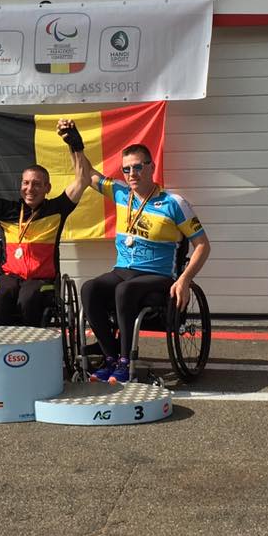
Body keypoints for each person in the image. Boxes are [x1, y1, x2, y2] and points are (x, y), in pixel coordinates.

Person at [81, 144, 211, 383]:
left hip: (158, 276)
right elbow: (88, 174)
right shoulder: (120, 192)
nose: (132, 173)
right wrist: (75, 145)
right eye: (127, 169)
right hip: (122, 270)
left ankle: (125, 361)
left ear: (151, 167)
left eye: (138, 167)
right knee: (90, 288)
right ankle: (110, 358)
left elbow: (203, 245)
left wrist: (185, 279)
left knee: (125, 290)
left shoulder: (174, 203)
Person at [0, 120, 91, 326]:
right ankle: (4, 341)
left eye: (37, 184)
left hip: (41, 281)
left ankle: (31, 343)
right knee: (2, 294)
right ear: (20, 186)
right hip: (10, 276)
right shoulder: (7, 210)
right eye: (26, 183)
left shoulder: (57, 209)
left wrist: (75, 145)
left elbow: (83, 179)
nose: (30, 188)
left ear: (47, 188)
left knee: (28, 297)